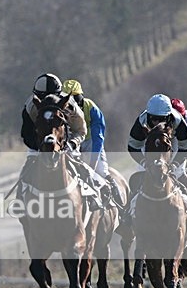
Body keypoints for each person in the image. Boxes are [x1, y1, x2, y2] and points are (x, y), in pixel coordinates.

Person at [16, 73, 101, 210]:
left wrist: (71, 144)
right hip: (39, 142)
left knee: (82, 167)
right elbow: (26, 134)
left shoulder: (71, 106)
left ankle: (93, 197)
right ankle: (19, 202)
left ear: (60, 95)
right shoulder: (30, 107)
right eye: (44, 99)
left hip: (65, 141)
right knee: (26, 169)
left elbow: (81, 130)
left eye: (53, 98)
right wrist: (41, 147)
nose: (48, 102)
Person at [126, 93, 187, 224]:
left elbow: (185, 147)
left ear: (169, 116)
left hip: (172, 141)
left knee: (179, 173)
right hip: (149, 142)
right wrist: (144, 162)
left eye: (161, 119)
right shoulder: (141, 121)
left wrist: (175, 163)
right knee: (141, 172)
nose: (157, 122)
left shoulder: (179, 122)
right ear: (148, 115)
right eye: (154, 119)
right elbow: (133, 146)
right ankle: (127, 213)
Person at [63, 79, 122, 206]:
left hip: (91, 142)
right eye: (69, 100)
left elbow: (98, 137)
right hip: (72, 143)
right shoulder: (60, 110)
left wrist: (93, 162)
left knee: (100, 171)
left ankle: (119, 202)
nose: (73, 104)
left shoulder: (91, 108)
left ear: (81, 96)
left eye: (76, 98)